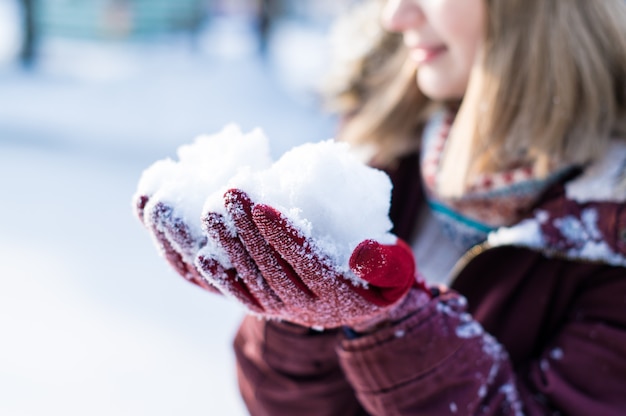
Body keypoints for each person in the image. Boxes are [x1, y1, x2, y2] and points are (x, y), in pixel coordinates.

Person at [134, 0, 626, 414]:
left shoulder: (612, 226)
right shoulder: (382, 153)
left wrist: (391, 326)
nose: (396, 15)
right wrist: (300, 323)